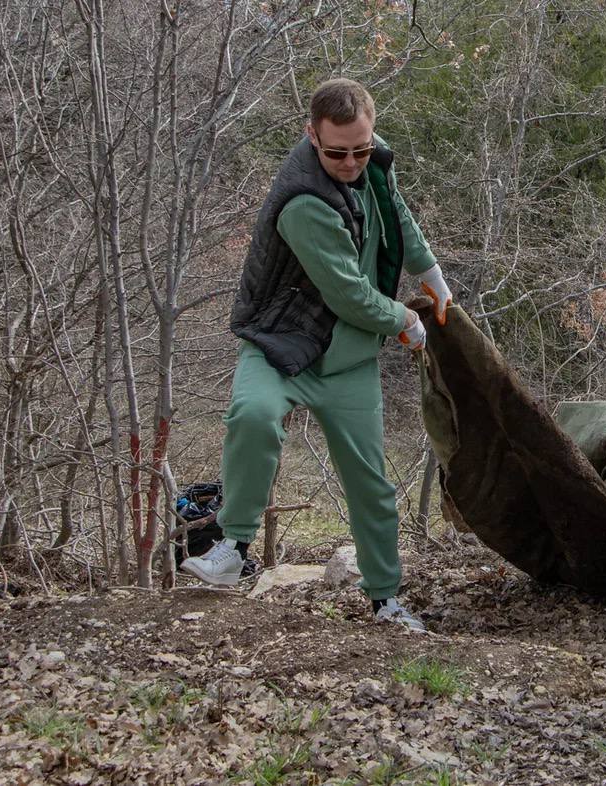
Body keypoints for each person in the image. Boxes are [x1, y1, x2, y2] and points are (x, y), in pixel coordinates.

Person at [180, 78, 453, 631]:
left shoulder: (371, 159)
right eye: (337, 152)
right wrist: (405, 319)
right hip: (283, 344)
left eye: (361, 148)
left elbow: (396, 212)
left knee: (369, 481)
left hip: (347, 361)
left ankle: (386, 601)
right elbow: (350, 293)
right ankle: (232, 546)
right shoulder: (303, 203)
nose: (351, 161)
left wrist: (431, 275)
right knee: (253, 415)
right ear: (312, 136)